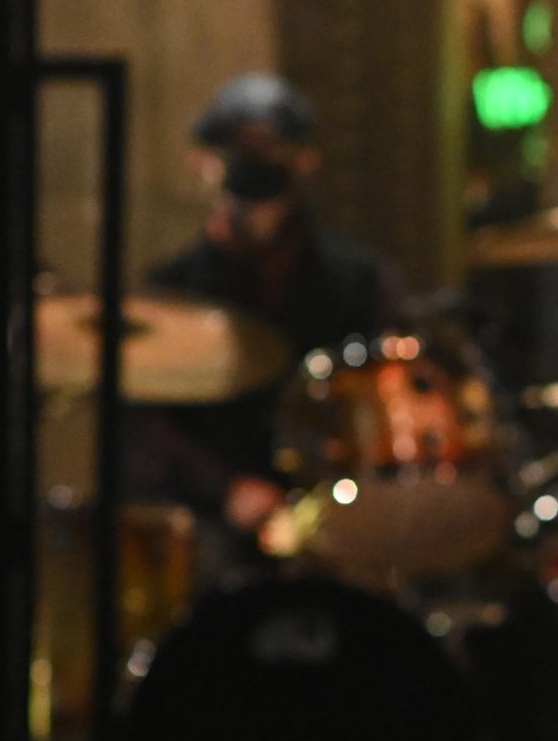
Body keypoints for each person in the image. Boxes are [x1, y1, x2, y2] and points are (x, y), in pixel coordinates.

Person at [135, 73, 400, 538]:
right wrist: (227, 490)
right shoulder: (167, 293)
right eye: (241, 152)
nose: (255, 167)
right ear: (201, 162)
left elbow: (383, 400)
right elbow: (142, 429)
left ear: (306, 162)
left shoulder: (357, 281)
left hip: (335, 519)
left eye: (271, 151)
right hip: (206, 526)